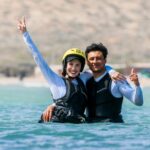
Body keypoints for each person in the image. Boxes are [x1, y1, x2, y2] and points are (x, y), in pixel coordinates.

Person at [18, 17, 123, 123]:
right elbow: (38, 58)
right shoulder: (55, 81)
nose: (73, 68)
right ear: (65, 65)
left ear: (81, 67)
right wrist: (25, 34)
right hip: (56, 127)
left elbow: (101, 67)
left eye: (77, 65)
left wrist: (112, 71)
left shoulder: (84, 78)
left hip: (77, 129)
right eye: (71, 64)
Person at [85, 43, 143, 123]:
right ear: (87, 62)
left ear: (105, 61)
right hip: (90, 130)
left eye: (98, 58)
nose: (94, 61)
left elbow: (138, 102)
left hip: (112, 130)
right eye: (91, 59)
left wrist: (137, 85)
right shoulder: (86, 80)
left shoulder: (117, 80)